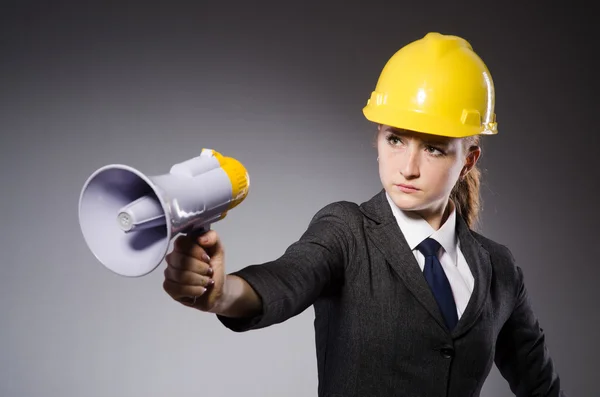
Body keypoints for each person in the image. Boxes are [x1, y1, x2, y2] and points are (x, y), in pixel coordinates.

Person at [162, 32, 566, 396]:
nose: (407, 167)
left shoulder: (499, 268)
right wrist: (222, 293)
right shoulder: (346, 231)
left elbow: (541, 386)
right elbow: (287, 278)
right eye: (395, 139)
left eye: (433, 148)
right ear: (378, 138)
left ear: (468, 159)